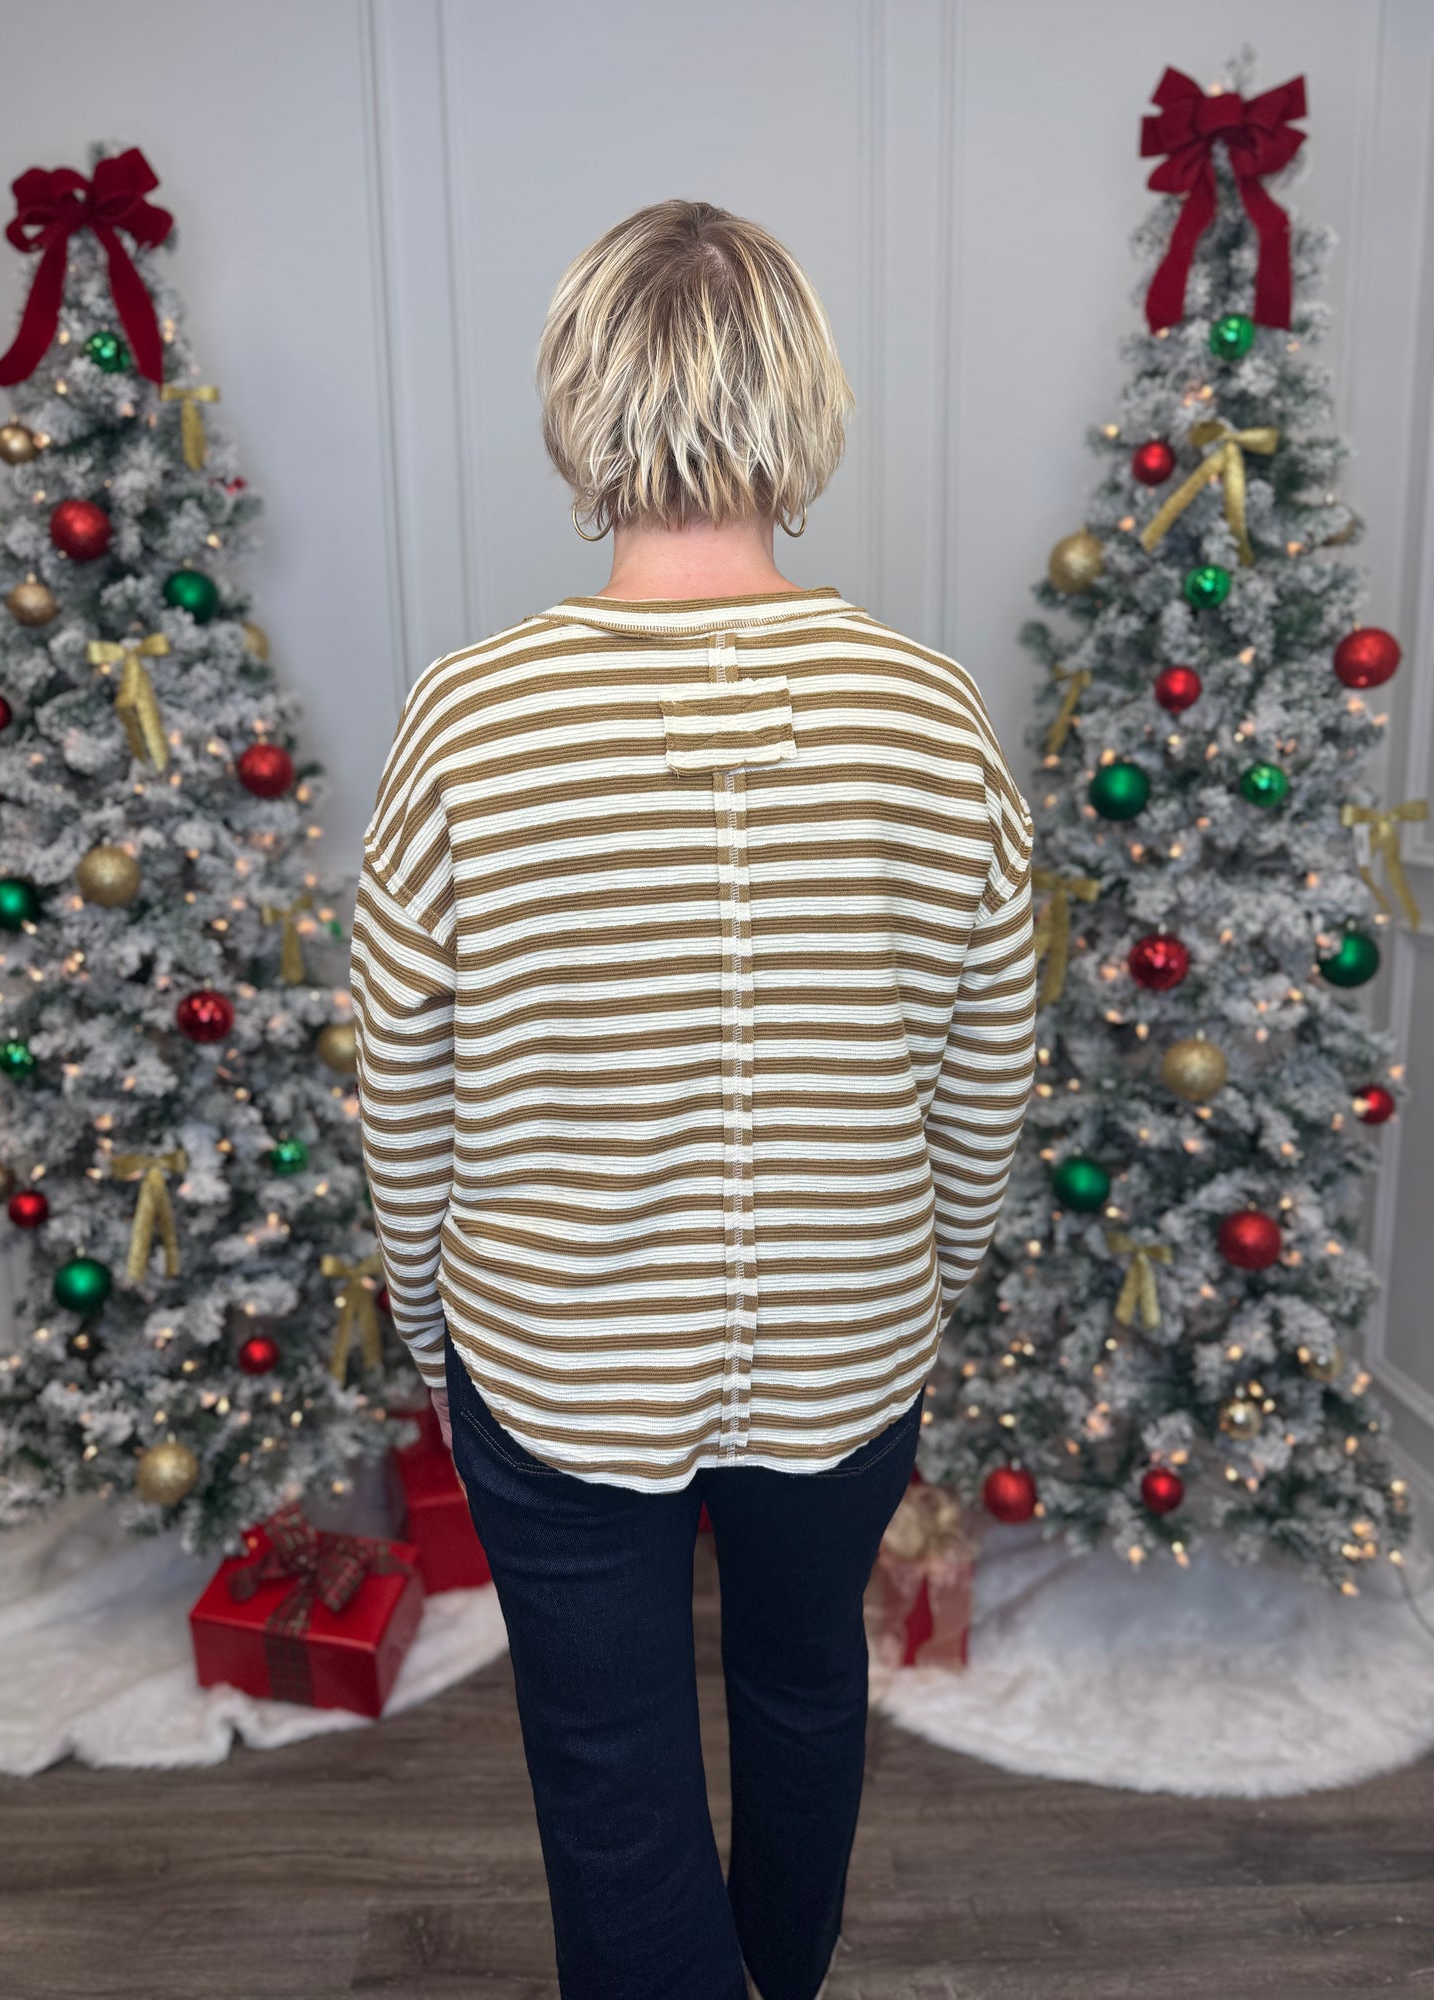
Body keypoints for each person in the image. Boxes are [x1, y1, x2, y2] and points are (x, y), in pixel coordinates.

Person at [350, 198, 1036, 2000]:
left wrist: (430, 1320)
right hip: (848, 1334)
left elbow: (396, 1076)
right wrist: (927, 1282)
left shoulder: (469, 722)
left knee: (609, 1769)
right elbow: (989, 1071)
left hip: (554, 1350)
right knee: (810, 1691)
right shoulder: (930, 713)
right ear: (803, 403)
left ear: (582, 401)